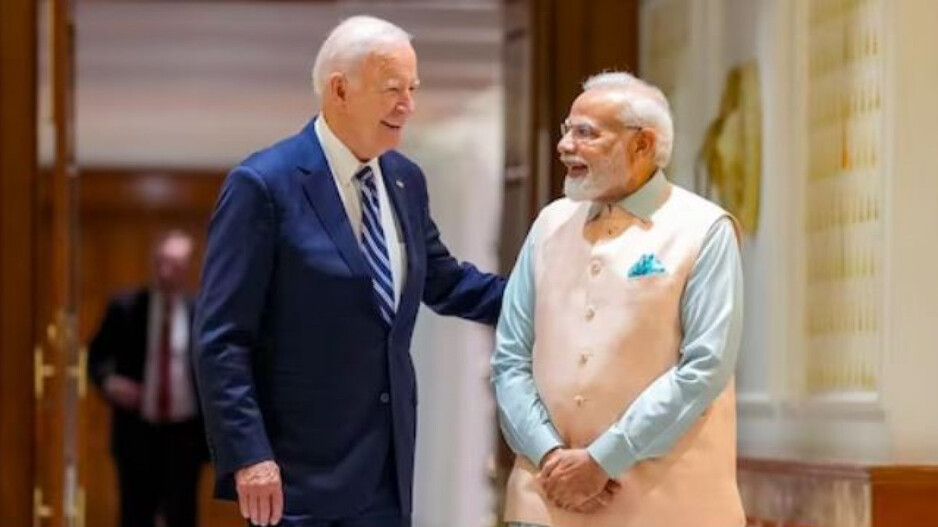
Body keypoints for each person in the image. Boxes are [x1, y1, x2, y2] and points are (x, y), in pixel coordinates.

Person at [193, 15, 505, 527]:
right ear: (339, 90)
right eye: (392, 89)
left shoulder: (405, 179)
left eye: (413, 88)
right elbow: (221, 339)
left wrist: (549, 293)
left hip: (387, 469)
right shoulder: (263, 186)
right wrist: (249, 454)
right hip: (296, 478)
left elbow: (446, 282)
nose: (408, 104)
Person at [491, 71, 745, 527]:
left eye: (586, 133)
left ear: (643, 145)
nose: (565, 145)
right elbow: (510, 357)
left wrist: (603, 461)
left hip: (668, 509)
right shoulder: (548, 224)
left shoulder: (704, 228)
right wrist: (550, 456)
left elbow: (704, 368)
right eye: (568, 130)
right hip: (543, 505)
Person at [88, 230, 207, 527]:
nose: (167, 273)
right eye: (162, 262)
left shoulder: (200, 312)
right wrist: (109, 382)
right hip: (137, 431)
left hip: (185, 434)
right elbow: (96, 359)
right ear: (153, 263)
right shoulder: (126, 308)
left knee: (183, 515)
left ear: (188, 268)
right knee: (134, 514)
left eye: (176, 265)